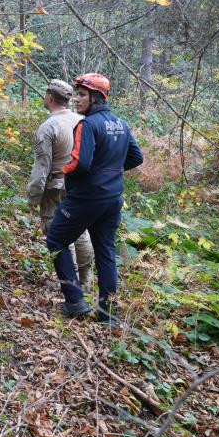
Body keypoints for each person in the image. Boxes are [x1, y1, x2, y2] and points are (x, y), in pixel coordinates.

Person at [45, 73, 143, 324]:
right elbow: (136, 157)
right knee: (106, 250)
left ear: (96, 98)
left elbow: (80, 164)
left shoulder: (87, 125)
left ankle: (75, 301)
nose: (77, 100)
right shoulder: (121, 124)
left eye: (82, 94)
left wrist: (64, 172)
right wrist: (111, 170)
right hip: (113, 198)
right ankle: (108, 314)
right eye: (77, 94)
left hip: (87, 197)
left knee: (56, 237)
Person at [27, 79, 94, 287]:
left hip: (56, 187)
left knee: (58, 232)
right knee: (81, 230)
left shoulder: (48, 127)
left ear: (50, 97)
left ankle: (69, 282)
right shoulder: (81, 121)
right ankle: (86, 280)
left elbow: (42, 166)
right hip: (80, 186)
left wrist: (34, 195)